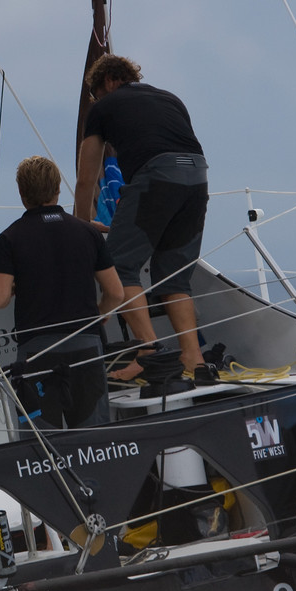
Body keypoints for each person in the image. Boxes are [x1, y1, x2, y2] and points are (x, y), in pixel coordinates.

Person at [74, 54, 211, 383]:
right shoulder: (170, 98)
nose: (96, 101)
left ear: (107, 82)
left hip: (156, 176)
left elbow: (86, 178)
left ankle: (148, 355)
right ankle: (193, 359)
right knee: (174, 275)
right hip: (197, 177)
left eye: (95, 94)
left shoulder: (104, 107)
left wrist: (82, 224)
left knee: (119, 266)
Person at [0, 155, 124, 429]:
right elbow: (116, 293)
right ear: (58, 189)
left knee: (42, 442)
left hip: (37, 353)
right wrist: (100, 315)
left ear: (22, 193)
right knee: (93, 437)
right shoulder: (88, 233)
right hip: (86, 345)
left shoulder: (11, 238)